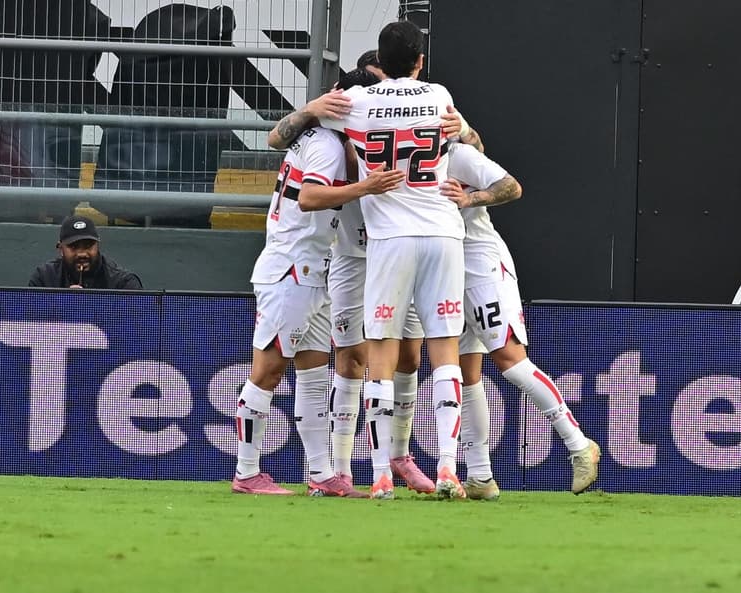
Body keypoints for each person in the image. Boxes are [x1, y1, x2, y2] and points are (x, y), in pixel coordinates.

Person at [316, 21, 471, 500]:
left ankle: (381, 472)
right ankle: (448, 468)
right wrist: (462, 126)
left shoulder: (359, 103)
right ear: (420, 60)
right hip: (444, 232)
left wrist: (312, 107)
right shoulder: (440, 95)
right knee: (444, 351)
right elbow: (468, 139)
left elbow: (290, 136)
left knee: (378, 354)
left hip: (389, 241)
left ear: (378, 63)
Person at [232, 70, 404, 498]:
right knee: (268, 370)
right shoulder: (327, 145)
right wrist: (365, 187)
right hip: (291, 267)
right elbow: (309, 197)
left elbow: (279, 138)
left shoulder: (314, 135)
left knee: (312, 373)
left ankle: (322, 473)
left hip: (312, 269)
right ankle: (246, 472)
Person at [440, 143, 602, 500]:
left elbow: (512, 187)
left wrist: (470, 199)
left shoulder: (459, 155)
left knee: (511, 361)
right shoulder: (400, 157)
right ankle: (480, 476)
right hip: (446, 270)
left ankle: (579, 444)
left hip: (482, 266)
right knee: (466, 374)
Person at [28, 215, 143, 289]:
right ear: (60, 249)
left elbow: (139, 323)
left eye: (88, 246)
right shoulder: (44, 278)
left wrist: (88, 304)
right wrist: (62, 302)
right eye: (73, 247)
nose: (82, 254)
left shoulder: (123, 283)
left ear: (98, 245)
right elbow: (29, 320)